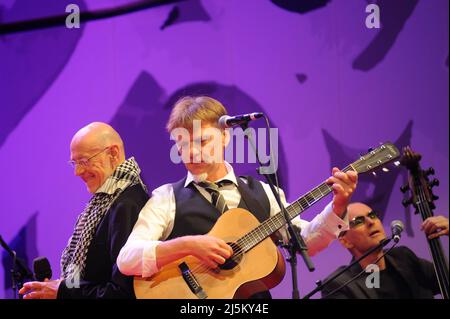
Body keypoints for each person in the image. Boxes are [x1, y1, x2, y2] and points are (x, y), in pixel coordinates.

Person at [117, 96, 358, 298]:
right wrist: (189, 245)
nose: (192, 151)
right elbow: (127, 259)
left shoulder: (263, 192)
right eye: (183, 144)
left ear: (225, 136)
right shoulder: (165, 197)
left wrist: (338, 205)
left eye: (202, 141)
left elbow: (306, 242)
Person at [19, 122, 149, 299]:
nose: (77, 172)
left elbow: (123, 293)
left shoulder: (128, 204)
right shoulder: (106, 201)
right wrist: (60, 287)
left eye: (84, 161)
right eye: (74, 163)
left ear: (113, 153)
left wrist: (63, 292)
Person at [321, 202, 449, 299]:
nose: (371, 222)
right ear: (345, 241)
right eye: (359, 221)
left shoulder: (404, 257)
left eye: (372, 215)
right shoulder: (339, 285)